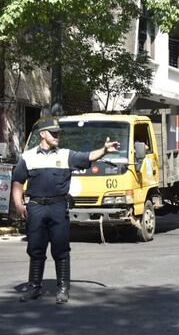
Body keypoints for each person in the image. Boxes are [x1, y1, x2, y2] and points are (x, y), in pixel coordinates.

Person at [12, 117, 120, 304]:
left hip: (58, 207)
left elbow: (87, 157)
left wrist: (104, 150)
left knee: (61, 248)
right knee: (35, 248)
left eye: (58, 133)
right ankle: (34, 287)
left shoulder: (65, 155)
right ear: (42, 134)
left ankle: (63, 289)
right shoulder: (27, 157)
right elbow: (17, 182)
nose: (57, 136)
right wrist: (18, 205)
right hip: (36, 207)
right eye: (53, 133)